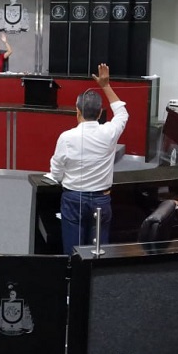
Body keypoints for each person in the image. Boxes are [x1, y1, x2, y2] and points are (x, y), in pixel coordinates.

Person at [47, 63, 129, 254]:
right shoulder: (109, 132)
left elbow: (57, 169)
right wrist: (105, 86)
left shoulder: (66, 137)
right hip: (102, 199)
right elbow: (122, 113)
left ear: (77, 111)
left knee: (73, 251)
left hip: (73, 199)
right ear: (100, 113)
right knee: (98, 251)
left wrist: (57, 177)